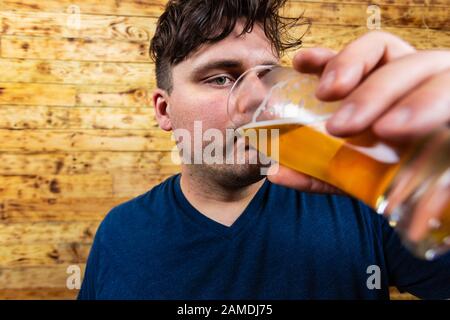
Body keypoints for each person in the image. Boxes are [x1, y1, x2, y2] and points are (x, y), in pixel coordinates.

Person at [78, 0, 450, 299]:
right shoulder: (120, 233)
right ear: (164, 110)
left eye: (268, 76)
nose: (256, 98)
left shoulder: (365, 199)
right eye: (221, 78)